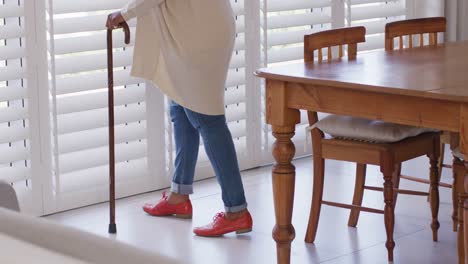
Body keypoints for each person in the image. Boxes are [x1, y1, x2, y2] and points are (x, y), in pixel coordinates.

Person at [106, 0, 252, 237]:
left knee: (207, 118)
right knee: (181, 109)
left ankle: (237, 211)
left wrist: (124, 14)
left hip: (197, 35)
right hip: (196, 28)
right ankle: (178, 195)